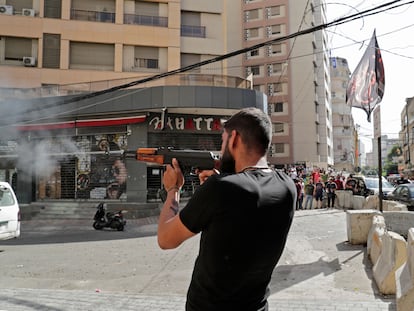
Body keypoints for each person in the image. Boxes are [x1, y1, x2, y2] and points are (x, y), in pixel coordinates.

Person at [157, 107, 296, 311]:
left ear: (234, 139)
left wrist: (173, 188)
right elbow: (240, 215)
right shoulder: (287, 186)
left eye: (222, 142)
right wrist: (215, 186)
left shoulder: (221, 188)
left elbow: (166, 239)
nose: (221, 150)